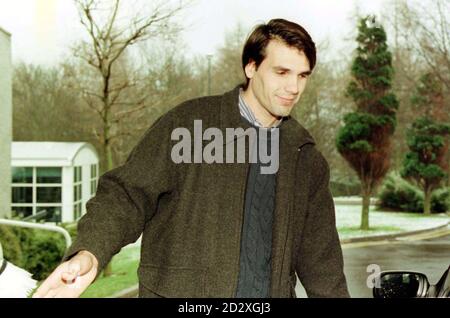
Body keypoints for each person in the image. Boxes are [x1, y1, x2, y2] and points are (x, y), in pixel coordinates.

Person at [33, 18, 350, 298]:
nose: (293, 87)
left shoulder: (305, 159)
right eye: (282, 72)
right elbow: (126, 196)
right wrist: (90, 251)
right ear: (251, 67)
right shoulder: (189, 126)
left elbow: (322, 262)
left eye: (303, 75)